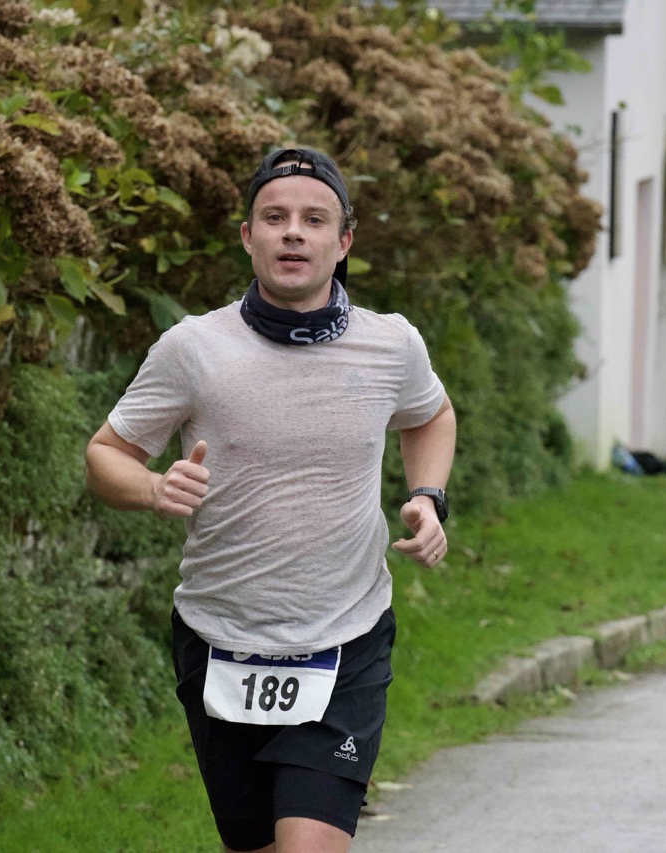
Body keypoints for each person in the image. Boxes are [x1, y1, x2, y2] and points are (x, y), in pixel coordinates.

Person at [85, 147, 456, 853]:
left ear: (343, 242)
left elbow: (431, 414)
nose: (293, 232)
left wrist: (427, 496)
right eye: (275, 217)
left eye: (314, 220)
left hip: (345, 641)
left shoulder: (391, 345)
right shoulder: (194, 348)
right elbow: (105, 456)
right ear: (247, 235)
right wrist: (155, 488)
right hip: (219, 639)